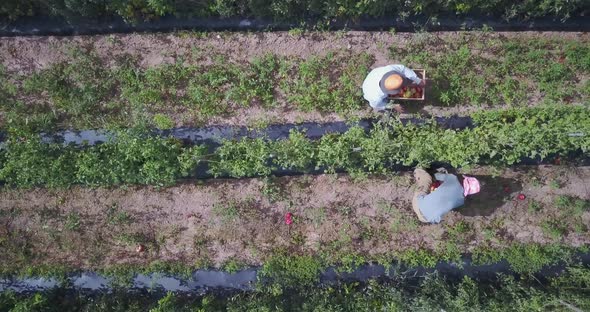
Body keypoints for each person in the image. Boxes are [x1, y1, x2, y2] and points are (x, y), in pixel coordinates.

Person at [412, 168, 480, 223]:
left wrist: (440, 175)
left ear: (465, 180)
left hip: (417, 202)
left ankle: (418, 169)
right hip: (425, 219)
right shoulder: (461, 201)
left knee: (427, 177)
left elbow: (436, 176)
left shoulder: (453, 179)